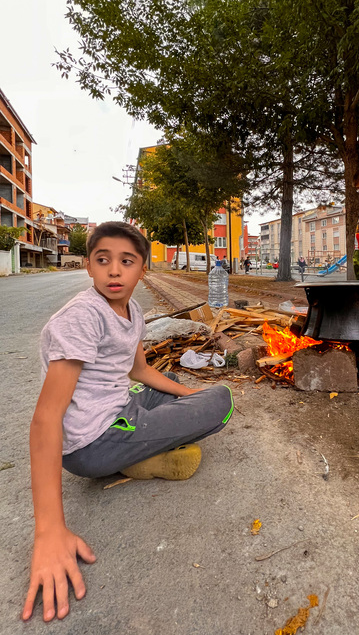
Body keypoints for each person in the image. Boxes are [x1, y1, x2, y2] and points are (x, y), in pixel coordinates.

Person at [22, 221, 233, 623]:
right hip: (92, 443)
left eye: (126, 261)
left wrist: (189, 398)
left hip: (120, 404)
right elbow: (45, 420)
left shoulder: (131, 309)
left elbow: (138, 371)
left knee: (173, 383)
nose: (114, 271)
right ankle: (132, 456)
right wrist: (48, 531)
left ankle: (142, 449)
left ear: (143, 270)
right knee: (222, 402)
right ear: (88, 266)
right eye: (103, 260)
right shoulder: (82, 317)